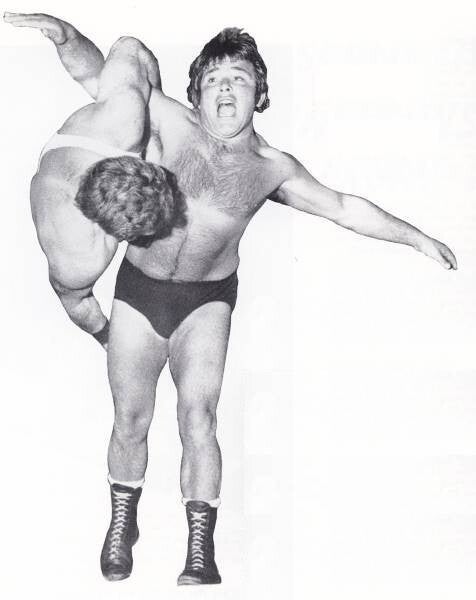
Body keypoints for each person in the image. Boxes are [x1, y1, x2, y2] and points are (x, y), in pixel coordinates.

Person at [5, 12, 457, 585]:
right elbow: (104, 80)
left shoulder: (272, 169)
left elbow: (344, 207)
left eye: (238, 78)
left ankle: (200, 547)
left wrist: (417, 238)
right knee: (130, 417)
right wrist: (66, 38)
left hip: (207, 302)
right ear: (195, 92)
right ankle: (123, 522)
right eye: (213, 78)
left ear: (259, 94)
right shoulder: (169, 121)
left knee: (199, 416)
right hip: (139, 291)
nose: (225, 88)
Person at [5, 12, 184, 349]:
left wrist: (67, 39)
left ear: (130, 160)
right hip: (58, 183)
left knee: (124, 71)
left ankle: (159, 120)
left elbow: (127, 49)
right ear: (120, 236)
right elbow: (78, 304)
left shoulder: (122, 122)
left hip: (84, 144)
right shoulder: (77, 260)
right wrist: (105, 336)